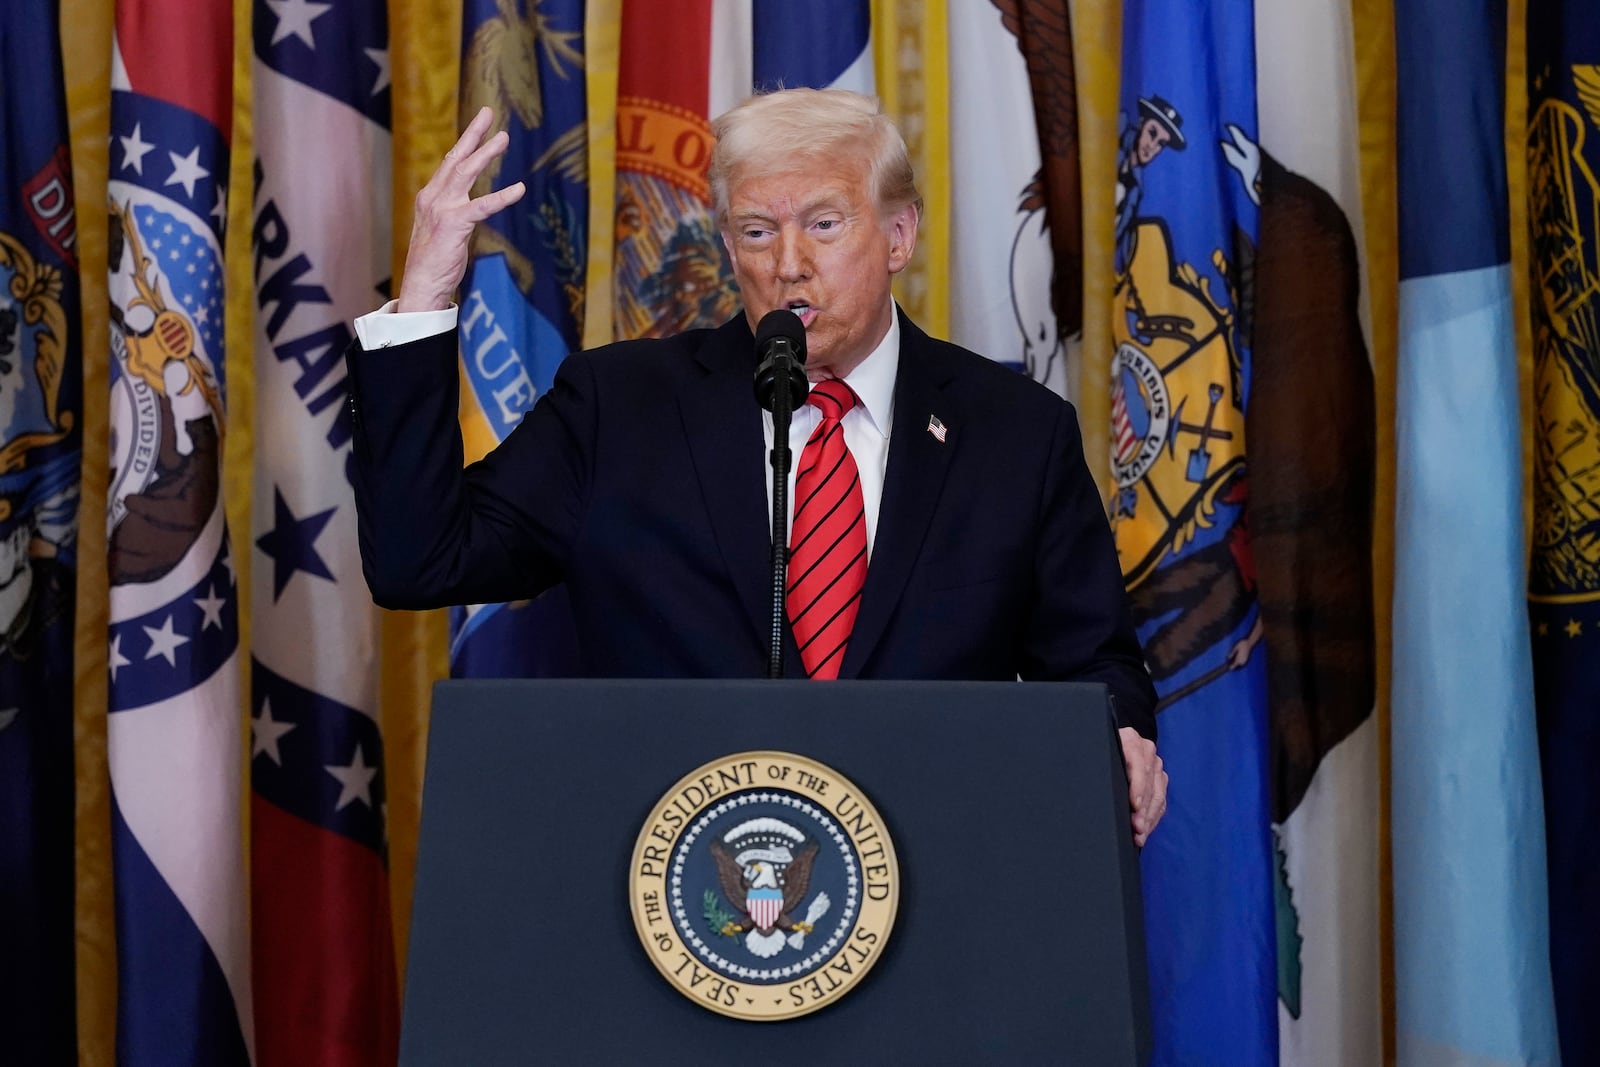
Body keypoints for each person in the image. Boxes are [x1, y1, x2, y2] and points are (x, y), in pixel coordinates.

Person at [347, 89, 1168, 845]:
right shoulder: (618, 407)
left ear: (898, 235)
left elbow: (1095, 663)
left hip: (941, 887)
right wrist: (423, 303)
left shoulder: (1016, 433)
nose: (788, 264)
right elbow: (421, 558)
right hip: (670, 897)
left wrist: (1118, 737)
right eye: (756, 231)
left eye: (824, 223)